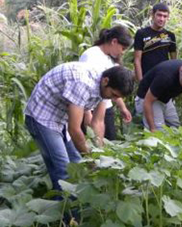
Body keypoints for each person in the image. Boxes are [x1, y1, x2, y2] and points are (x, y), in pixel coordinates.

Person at [24, 63, 135, 191]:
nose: (114, 99)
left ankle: (77, 203)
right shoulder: (82, 83)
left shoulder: (105, 87)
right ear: (105, 81)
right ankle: (66, 209)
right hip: (42, 116)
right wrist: (90, 157)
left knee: (76, 162)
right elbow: (74, 129)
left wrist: (98, 154)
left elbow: (97, 122)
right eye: (114, 95)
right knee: (63, 169)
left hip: (60, 117)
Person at [79, 25, 133, 140]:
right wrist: (87, 114)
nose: (123, 53)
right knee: (90, 141)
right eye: (122, 48)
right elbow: (84, 85)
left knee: (109, 140)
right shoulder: (91, 55)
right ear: (114, 41)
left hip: (105, 106)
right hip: (90, 106)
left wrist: (122, 107)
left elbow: (115, 87)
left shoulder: (111, 59)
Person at [133, 2, 177, 82]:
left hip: (164, 78)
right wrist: (141, 81)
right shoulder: (141, 33)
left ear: (168, 18)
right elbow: (137, 60)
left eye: (165, 16)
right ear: (152, 15)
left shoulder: (170, 35)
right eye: (159, 15)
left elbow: (174, 61)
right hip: (147, 78)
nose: (162, 19)